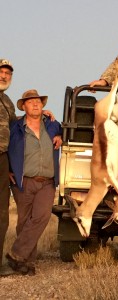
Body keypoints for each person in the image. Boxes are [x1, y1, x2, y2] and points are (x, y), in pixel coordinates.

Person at [5, 89, 62, 276]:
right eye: (31, 102)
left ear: (43, 105)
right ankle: (26, 264)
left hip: (47, 181)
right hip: (23, 181)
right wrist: (6, 170)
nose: (36, 104)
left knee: (41, 217)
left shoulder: (53, 125)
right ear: (24, 106)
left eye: (38, 101)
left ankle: (16, 253)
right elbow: (3, 147)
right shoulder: (15, 127)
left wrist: (61, 137)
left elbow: (65, 132)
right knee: (23, 222)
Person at [0, 59, 17, 276]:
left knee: (2, 214)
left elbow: (16, 125)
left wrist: (41, 116)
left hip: (2, 159)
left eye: (7, 74)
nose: (4, 76)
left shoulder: (7, 102)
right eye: (1, 72)